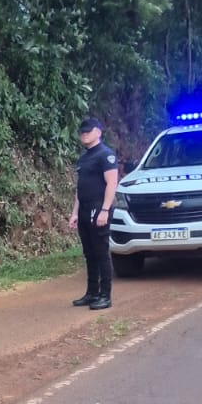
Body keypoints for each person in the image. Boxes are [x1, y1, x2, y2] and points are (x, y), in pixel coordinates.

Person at [69, 116, 118, 310]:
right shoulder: (83, 157)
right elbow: (80, 189)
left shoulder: (105, 155)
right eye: (82, 132)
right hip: (84, 209)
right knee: (89, 253)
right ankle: (91, 293)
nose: (84, 135)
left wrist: (105, 210)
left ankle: (105, 295)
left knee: (101, 252)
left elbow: (112, 183)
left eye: (88, 131)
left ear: (98, 132)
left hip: (99, 207)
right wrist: (74, 213)